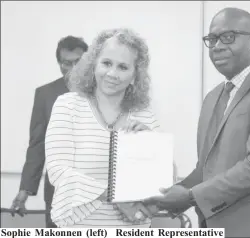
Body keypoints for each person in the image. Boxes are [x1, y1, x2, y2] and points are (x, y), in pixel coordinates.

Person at [145, 7, 250, 237]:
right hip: (217, 227)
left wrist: (190, 197)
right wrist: (169, 195)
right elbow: (207, 168)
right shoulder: (212, 97)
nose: (217, 46)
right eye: (212, 39)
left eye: (228, 37)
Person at [45, 28, 161, 228]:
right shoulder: (67, 105)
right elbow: (59, 171)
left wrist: (152, 147)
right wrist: (117, 196)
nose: (112, 74)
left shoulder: (145, 114)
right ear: (93, 64)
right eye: (106, 63)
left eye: (123, 67)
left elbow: (162, 183)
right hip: (79, 226)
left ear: (135, 74)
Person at [10, 36, 89, 228]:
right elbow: (37, 145)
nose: (72, 68)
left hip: (95, 191)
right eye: (66, 63)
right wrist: (25, 189)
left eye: (78, 62)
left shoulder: (104, 92)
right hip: (58, 192)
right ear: (59, 63)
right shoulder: (45, 94)